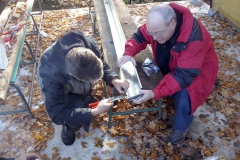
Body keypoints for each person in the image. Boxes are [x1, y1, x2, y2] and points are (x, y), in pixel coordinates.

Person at [117, 3, 218, 144]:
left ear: (172, 23)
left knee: (187, 94)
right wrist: (128, 53)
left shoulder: (193, 38)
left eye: (158, 34)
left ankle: (181, 127)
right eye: (152, 33)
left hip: (197, 70)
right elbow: (140, 37)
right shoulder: (158, 26)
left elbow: (183, 76)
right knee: (164, 76)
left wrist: (154, 92)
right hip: (177, 63)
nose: (154, 37)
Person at [37, 31, 129, 146]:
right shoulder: (49, 75)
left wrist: (113, 79)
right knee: (74, 106)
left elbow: (102, 65)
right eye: (91, 81)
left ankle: (84, 98)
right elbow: (57, 114)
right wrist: (93, 112)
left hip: (74, 77)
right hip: (63, 89)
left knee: (84, 100)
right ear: (73, 75)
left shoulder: (88, 45)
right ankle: (69, 126)